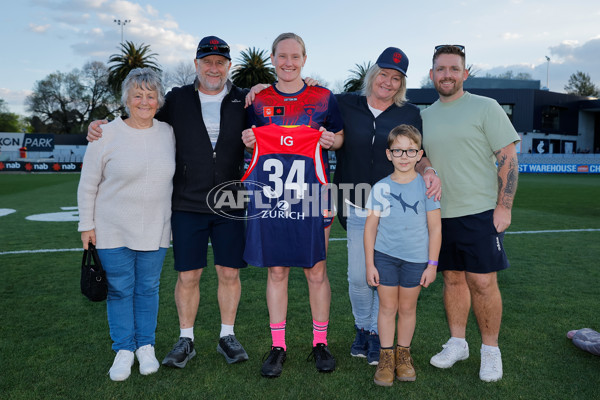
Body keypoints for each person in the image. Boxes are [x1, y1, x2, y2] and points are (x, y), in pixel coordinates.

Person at [87, 36, 250, 368]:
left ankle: (227, 336)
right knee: (188, 275)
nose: (213, 68)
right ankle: (186, 339)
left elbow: (282, 110)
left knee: (229, 273)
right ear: (196, 64)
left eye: (220, 62)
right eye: (207, 61)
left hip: (231, 200)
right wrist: (99, 125)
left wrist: (301, 85)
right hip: (187, 202)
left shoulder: (244, 99)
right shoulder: (176, 99)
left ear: (229, 66)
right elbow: (138, 114)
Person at [241, 32, 344, 377]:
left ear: (304, 59)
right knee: (277, 270)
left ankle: (320, 342)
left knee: (316, 270)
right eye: (282, 56)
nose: (288, 62)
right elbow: (244, 138)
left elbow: (339, 135)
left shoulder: (323, 97)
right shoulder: (255, 100)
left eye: (295, 56)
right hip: (272, 197)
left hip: (314, 196)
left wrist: (333, 138)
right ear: (272, 59)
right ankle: (278, 345)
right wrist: (247, 137)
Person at [333, 47, 441, 365]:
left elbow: (418, 153)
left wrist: (430, 170)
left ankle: (378, 337)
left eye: (396, 78)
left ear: (402, 83)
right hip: (354, 202)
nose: (388, 82)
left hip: (393, 207)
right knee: (359, 277)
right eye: (384, 74)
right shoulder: (344, 103)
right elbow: (311, 100)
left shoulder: (408, 114)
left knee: (384, 275)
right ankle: (363, 327)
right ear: (372, 74)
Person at [422, 44, 520, 382]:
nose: (446, 74)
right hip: (439, 213)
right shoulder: (426, 115)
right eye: (440, 69)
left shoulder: (486, 107)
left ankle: (490, 350)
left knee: (482, 281)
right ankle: (458, 342)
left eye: (453, 68)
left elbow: (508, 158)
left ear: (465, 73)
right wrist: (426, 167)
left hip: (480, 211)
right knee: (451, 279)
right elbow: (420, 156)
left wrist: (504, 206)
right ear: (432, 74)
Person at [78, 68, 176, 381]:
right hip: (111, 228)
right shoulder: (105, 134)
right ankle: (123, 349)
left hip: (156, 227)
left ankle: (145, 347)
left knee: (148, 289)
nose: (144, 101)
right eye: (138, 95)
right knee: (120, 290)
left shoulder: (169, 133)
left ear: (159, 101)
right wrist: (86, 225)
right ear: (126, 100)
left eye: (151, 95)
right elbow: (88, 184)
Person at [364, 124, 441, 386]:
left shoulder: (427, 187)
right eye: (398, 151)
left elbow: (435, 227)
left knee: (407, 308)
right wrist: (369, 264)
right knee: (387, 307)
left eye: (410, 151)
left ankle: (403, 356)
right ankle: (386, 359)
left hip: (416, 260)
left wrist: (432, 265)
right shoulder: (380, 187)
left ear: (420, 154)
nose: (404, 156)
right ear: (389, 154)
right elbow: (370, 227)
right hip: (385, 257)